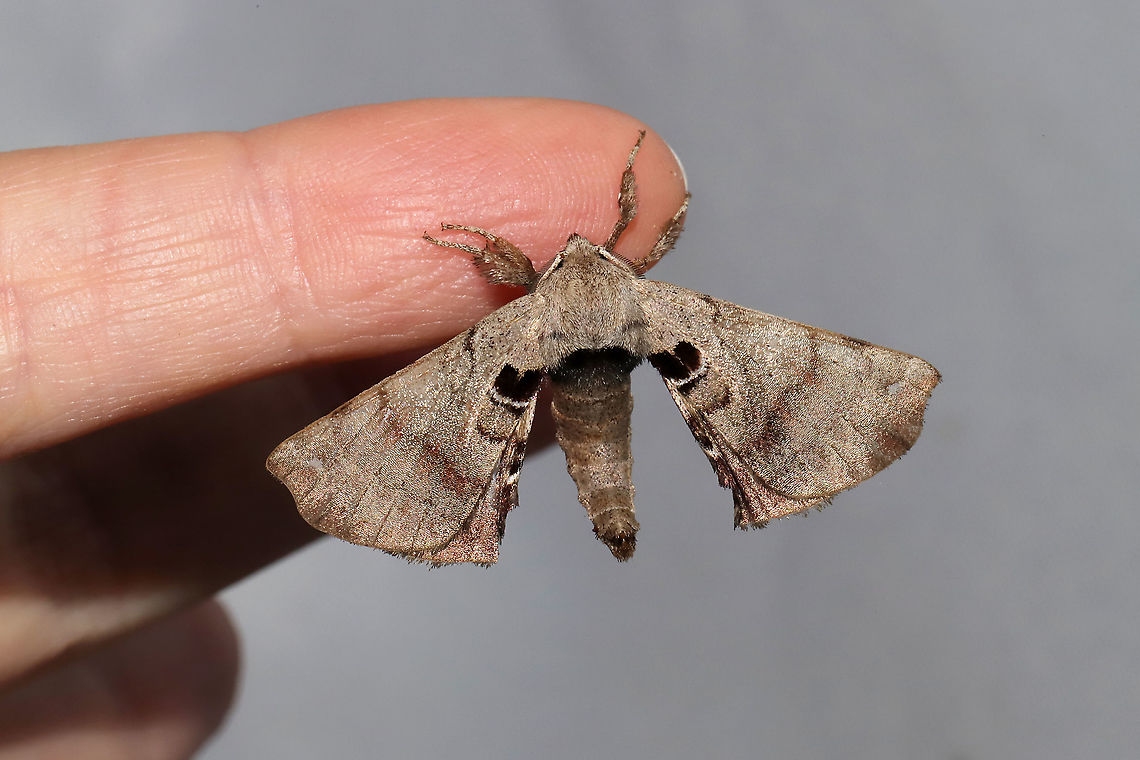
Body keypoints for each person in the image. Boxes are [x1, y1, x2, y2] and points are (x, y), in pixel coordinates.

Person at [0, 98, 686, 758]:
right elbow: (651, 225)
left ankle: (591, 516)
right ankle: (617, 516)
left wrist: (475, 243)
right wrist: (644, 184)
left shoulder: (526, 283)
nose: (575, 249)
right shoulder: (628, 266)